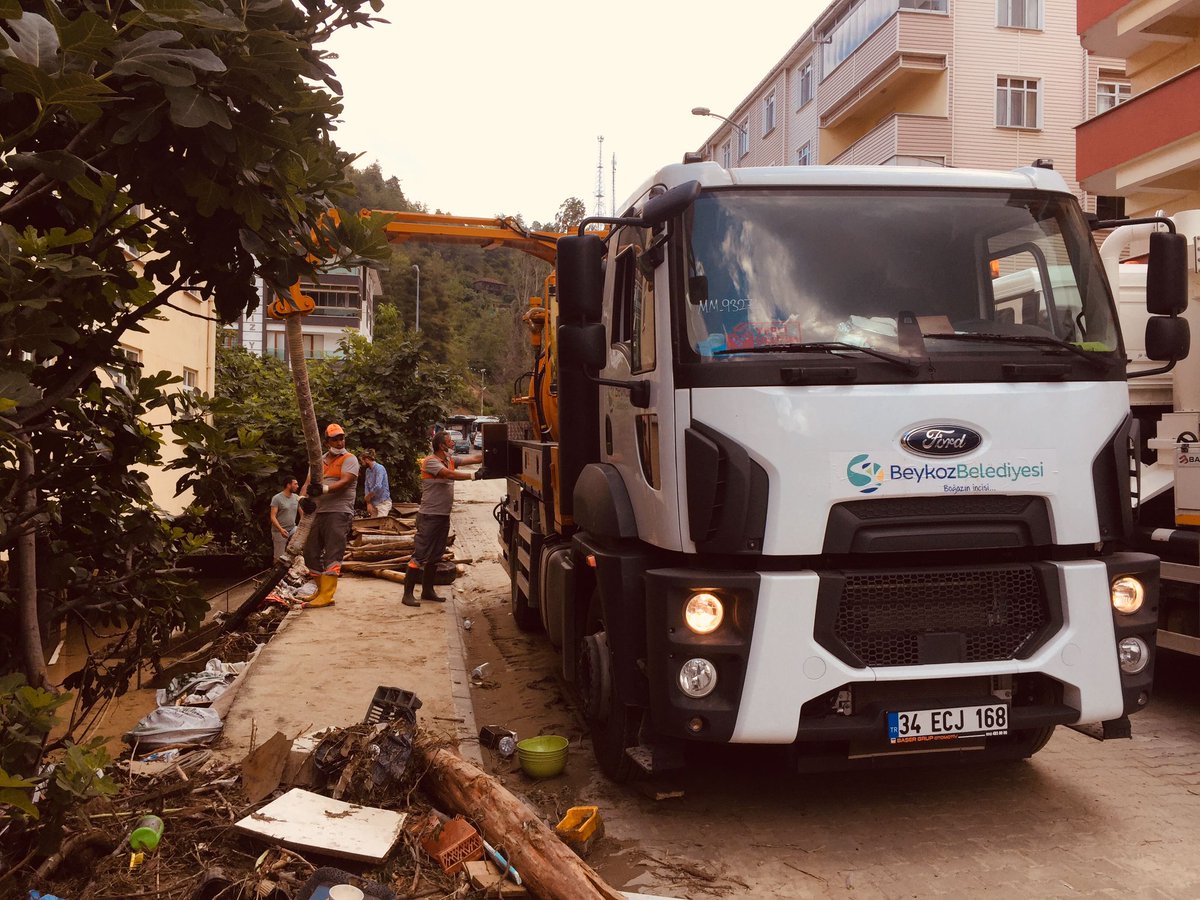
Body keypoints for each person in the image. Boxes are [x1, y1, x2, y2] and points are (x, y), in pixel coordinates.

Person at [402, 428, 482, 607]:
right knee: (420, 555)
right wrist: (474, 476)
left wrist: (493, 452)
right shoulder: (431, 462)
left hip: (442, 516)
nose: (453, 443)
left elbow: (475, 458)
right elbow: (448, 475)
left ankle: (427, 591)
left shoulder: (450, 460)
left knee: (435, 556)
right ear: (441, 445)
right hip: (429, 516)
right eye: (450, 442)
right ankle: (407, 594)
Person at [301, 422, 360, 608]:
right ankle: (320, 590)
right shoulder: (318, 462)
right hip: (318, 513)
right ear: (327, 442)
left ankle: (327, 595)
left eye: (341, 438)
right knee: (310, 552)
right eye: (335, 439)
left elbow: (345, 482)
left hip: (338, 511)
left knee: (333, 553)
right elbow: (307, 483)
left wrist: (323, 489)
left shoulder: (350, 459)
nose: (339, 442)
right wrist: (302, 500)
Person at [269, 477, 302, 560]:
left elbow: (301, 513)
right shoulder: (277, 498)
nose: (297, 486)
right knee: (278, 558)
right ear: (288, 485)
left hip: (293, 528)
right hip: (279, 531)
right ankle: (276, 571)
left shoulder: (296, 497)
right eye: (295, 484)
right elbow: (272, 516)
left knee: (302, 543)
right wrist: (280, 529)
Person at [361, 450, 392, 518]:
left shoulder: (379, 468)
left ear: (366, 460)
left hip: (383, 502)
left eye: (362, 460)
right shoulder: (368, 471)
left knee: (380, 524)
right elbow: (366, 486)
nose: (361, 462)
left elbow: (378, 486)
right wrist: (368, 503)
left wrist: (368, 496)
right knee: (373, 525)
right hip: (373, 503)